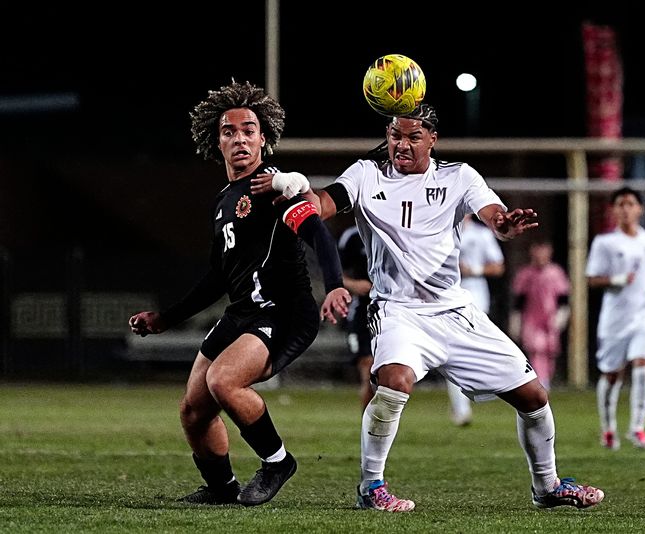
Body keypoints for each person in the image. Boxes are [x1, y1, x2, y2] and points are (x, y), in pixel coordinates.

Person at [252, 103, 604, 512]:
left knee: (534, 397)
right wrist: (294, 185)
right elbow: (324, 204)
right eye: (395, 135)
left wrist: (505, 225)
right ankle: (372, 487)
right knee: (393, 383)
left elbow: (493, 214)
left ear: (432, 139)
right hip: (397, 310)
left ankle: (547, 486)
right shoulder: (366, 175)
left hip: (455, 311)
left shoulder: (459, 176)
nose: (402, 145)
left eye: (413, 137)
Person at [128, 81, 350, 506]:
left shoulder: (275, 190)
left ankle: (277, 461)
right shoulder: (223, 200)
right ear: (218, 141)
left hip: (283, 313)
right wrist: (165, 319)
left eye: (249, 130)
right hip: (242, 313)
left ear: (264, 139)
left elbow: (318, 233)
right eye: (230, 132)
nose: (240, 138)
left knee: (224, 381)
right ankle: (221, 488)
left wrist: (336, 285)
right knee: (193, 410)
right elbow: (217, 277)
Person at [586, 186, 645, 450]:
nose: (625, 209)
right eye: (620, 204)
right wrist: (617, 279)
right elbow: (591, 278)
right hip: (615, 317)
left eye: (630, 204)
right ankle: (609, 429)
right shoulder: (605, 242)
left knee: (644, 366)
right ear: (613, 210)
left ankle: (637, 428)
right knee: (612, 374)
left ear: (640, 209)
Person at [450, 213, 506, 426]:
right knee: (455, 352)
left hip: (476, 297)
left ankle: (475, 391)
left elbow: (498, 266)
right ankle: (461, 407)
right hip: (448, 297)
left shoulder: (481, 234)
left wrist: (473, 270)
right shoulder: (439, 229)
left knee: (470, 350)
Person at [509, 240, 570, 390]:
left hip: (550, 319)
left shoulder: (555, 273)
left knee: (549, 352)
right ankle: (541, 384)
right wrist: (516, 321)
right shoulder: (526, 274)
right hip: (531, 319)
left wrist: (561, 317)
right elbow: (518, 301)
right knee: (536, 350)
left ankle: (545, 380)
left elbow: (563, 299)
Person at [338, 224, 375, 411]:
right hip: (362, 310)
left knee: (388, 375)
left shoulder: (395, 229)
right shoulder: (352, 236)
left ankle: (383, 424)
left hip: (393, 309)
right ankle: (369, 428)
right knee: (368, 369)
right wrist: (354, 285)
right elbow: (336, 273)